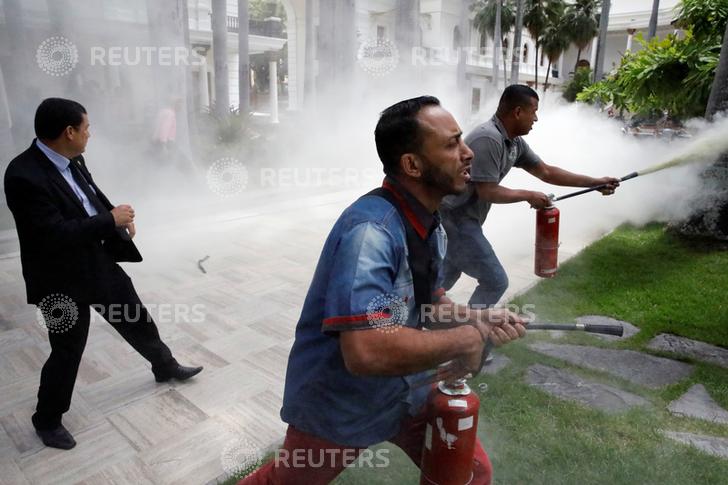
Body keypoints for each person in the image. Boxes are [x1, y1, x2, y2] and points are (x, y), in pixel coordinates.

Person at [236, 96, 527, 485]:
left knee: (469, 474)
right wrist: (465, 339)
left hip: (408, 389)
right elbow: (366, 350)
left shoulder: (430, 224)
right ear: (412, 165)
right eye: (451, 144)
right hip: (340, 403)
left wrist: (477, 319)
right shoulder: (370, 233)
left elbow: (428, 303)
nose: (468, 152)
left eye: (461, 139)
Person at [3, 98, 203, 450]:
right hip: (57, 279)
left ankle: (164, 366)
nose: (90, 134)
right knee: (67, 349)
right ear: (69, 132)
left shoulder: (73, 158)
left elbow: (89, 195)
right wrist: (109, 220)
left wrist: (115, 219)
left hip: (95, 261)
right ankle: (47, 420)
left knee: (135, 317)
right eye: (86, 128)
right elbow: (53, 234)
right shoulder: (23, 175)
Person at [440, 84, 620, 308]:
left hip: (465, 220)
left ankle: (415, 319)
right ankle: (472, 327)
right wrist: (528, 195)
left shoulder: (514, 142)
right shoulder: (488, 138)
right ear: (518, 112)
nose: (536, 118)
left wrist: (595, 182)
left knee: (442, 278)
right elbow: (487, 191)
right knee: (495, 281)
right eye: (533, 111)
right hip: (455, 220)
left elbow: (546, 172)